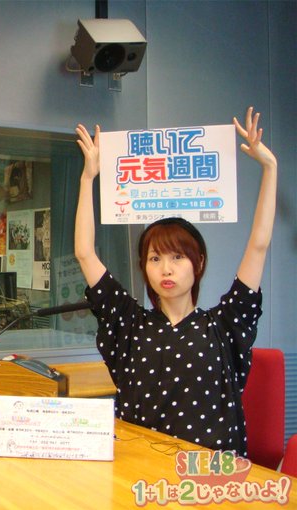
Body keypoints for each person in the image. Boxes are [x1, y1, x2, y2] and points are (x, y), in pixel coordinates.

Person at [73, 107, 277, 457]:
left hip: (210, 478)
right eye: (155, 259)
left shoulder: (224, 325)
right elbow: (84, 253)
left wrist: (269, 167)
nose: (166, 269)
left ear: (199, 263)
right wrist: (87, 178)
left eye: (177, 257)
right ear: (144, 267)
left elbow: (258, 245)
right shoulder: (129, 323)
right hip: (139, 475)